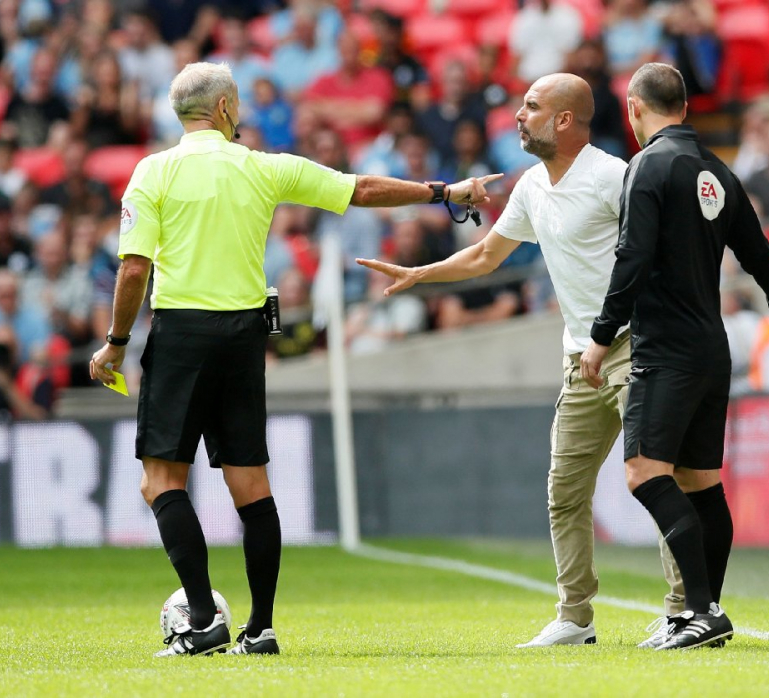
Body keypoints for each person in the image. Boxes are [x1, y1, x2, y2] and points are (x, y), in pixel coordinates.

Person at [87, 61, 498, 658]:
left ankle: (202, 619)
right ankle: (261, 628)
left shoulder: (153, 172)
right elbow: (359, 189)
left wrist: (117, 343)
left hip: (183, 333)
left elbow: (132, 267)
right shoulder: (261, 166)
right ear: (226, 108)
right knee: (250, 484)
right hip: (245, 336)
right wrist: (444, 192)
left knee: (160, 481)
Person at [356, 72, 686, 649]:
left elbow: (655, 260)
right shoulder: (533, 184)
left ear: (563, 120)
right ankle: (576, 617)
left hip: (635, 346)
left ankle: (683, 609)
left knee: (656, 479)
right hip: (579, 357)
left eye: (530, 107)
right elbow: (486, 255)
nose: (517, 116)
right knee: (564, 488)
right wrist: (420, 274)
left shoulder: (614, 177)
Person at [580, 63, 769, 650]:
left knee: (643, 473)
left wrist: (600, 333)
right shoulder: (719, 171)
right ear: (685, 108)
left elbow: (632, 258)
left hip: (664, 350)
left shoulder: (647, 166)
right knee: (701, 484)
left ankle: (699, 609)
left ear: (635, 109)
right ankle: (701, 614)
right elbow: (762, 256)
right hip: (712, 348)